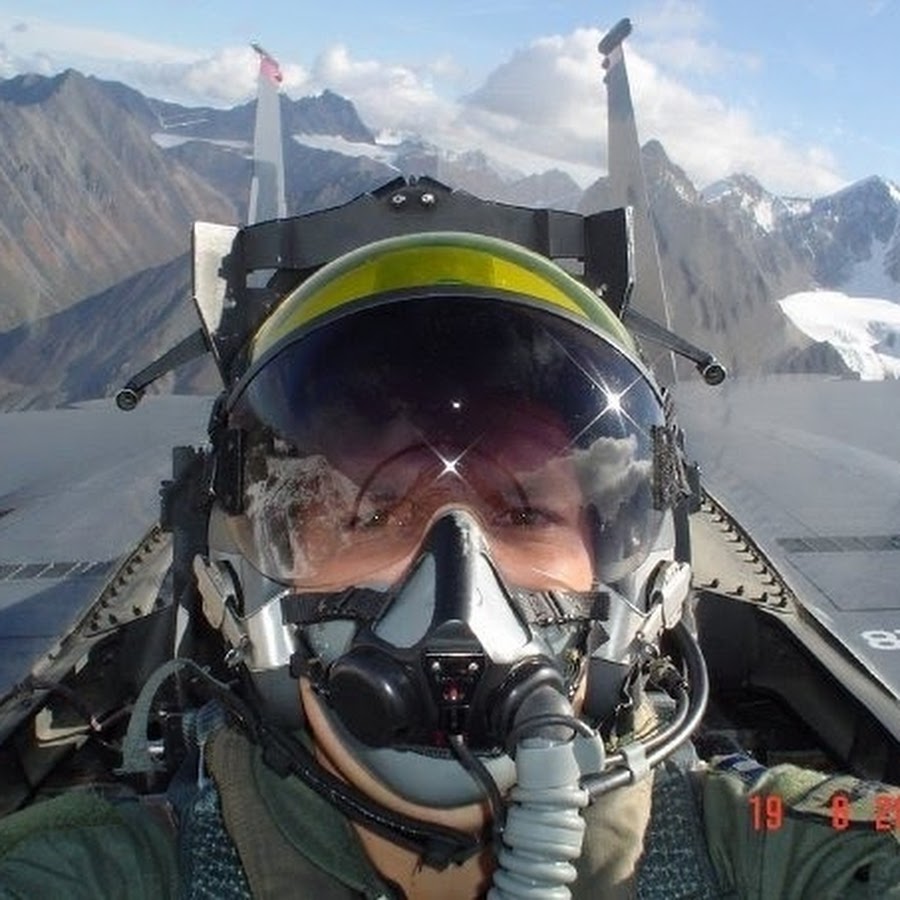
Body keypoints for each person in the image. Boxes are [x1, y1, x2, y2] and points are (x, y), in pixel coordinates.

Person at [0, 233, 898, 899]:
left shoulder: (775, 844)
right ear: (241, 589)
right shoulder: (96, 872)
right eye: (372, 515)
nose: (457, 585)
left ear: (638, 581)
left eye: (523, 514)